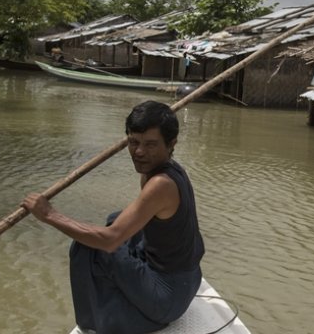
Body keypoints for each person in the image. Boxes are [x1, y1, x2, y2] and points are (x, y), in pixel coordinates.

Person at [22, 101, 205, 334]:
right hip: (188, 280)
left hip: (168, 299)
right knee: (116, 218)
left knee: (87, 246)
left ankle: (98, 323)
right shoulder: (168, 170)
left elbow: (109, 240)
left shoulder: (160, 184)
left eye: (150, 144)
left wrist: (49, 214)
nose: (139, 152)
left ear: (171, 144)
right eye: (133, 142)